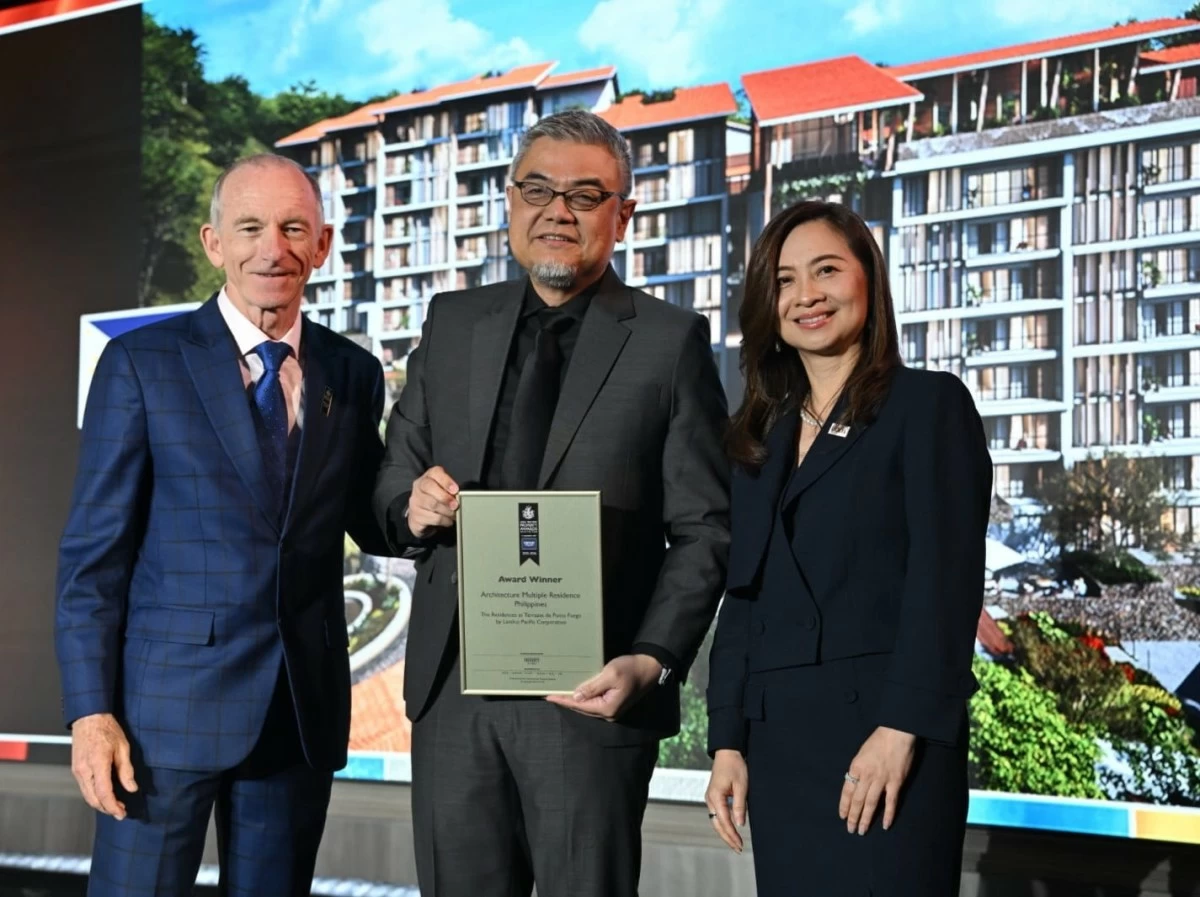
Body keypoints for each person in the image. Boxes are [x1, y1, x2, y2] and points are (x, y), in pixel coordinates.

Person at [372, 109, 730, 897]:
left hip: (592, 691)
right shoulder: (452, 322)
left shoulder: (669, 342)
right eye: (537, 188)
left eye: (584, 193)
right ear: (509, 200)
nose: (556, 210)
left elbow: (705, 530)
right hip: (454, 691)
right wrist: (414, 503)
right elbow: (392, 476)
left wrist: (652, 659)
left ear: (623, 214)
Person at [55, 154, 389, 897]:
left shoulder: (354, 372)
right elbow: (93, 560)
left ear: (323, 245)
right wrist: (90, 711)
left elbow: (376, 520)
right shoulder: (140, 363)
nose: (273, 247)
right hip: (157, 723)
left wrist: (430, 504)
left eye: (293, 227)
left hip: (296, 718)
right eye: (250, 227)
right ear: (213, 243)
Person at [704, 200, 992, 896]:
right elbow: (743, 602)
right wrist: (728, 740)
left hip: (888, 741)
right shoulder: (758, 438)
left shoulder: (929, 406)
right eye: (784, 280)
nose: (807, 295)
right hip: (779, 749)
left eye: (827, 270)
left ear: (869, 277)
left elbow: (944, 585)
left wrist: (902, 728)